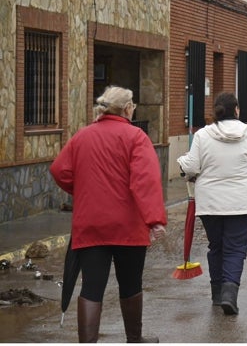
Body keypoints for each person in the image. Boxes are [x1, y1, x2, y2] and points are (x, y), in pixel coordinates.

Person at [50, 86, 167, 343]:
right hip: (128, 226)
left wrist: (82, 189)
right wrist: (155, 220)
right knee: (130, 283)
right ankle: (134, 339)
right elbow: (145, 182)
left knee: (92, 286)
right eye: (133, 104)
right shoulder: (136, 137)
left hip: (91, 224)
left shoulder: (82, 136)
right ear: (127, 109)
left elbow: (59, 170)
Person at [177, 92, 247, 315]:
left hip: (210, 202)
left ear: (216, 111)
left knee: (216, 247)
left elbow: (191, 167)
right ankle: (229, 293)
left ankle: (217, 295)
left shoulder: (203, 135)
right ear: (237, 111)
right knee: (235, 249)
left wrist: (182, 161)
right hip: (243, 202)